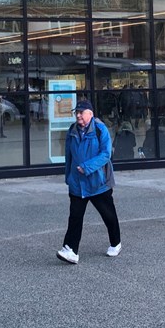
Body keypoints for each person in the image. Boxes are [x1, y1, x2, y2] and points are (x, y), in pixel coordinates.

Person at [56, 99, 122, 264]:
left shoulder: (100, 129)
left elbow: (106, 155)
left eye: (81, 112)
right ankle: (70, 249)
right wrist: (68, 178)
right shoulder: (72, 130)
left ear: (90, 114)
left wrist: (87, 167)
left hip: (98, 183)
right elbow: (68, 156)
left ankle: (116, 243)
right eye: (76, 112)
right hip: (77, 184)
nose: (78, 115)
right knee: (75, 217)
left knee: (108, 215)